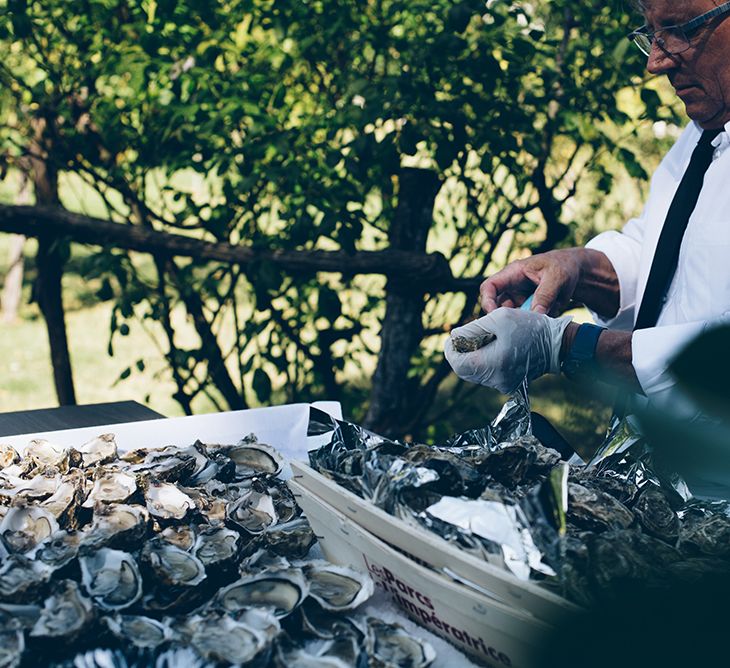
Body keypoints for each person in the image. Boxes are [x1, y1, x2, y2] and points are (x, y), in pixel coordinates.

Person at [445, 0, 730, 425]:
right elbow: (668, 260)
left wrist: (569, 346)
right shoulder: (698, 140)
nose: (655, 62)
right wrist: (577, 268)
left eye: (680, 29)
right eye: (652, 34)